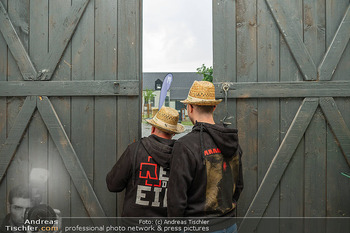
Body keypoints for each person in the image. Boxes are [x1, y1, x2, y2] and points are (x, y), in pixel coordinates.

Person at [167, 81, 243, 233]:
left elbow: (176, 199)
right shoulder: (232, 141)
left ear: (190, 107)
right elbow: (239, 186)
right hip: (229, 225)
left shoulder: (184, 145)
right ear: (214, 107)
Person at [106, 106, 184, 217]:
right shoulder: (182, 155)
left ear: (152, 128)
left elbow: (113, 185)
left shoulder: (135, 150)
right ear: (174, 133)